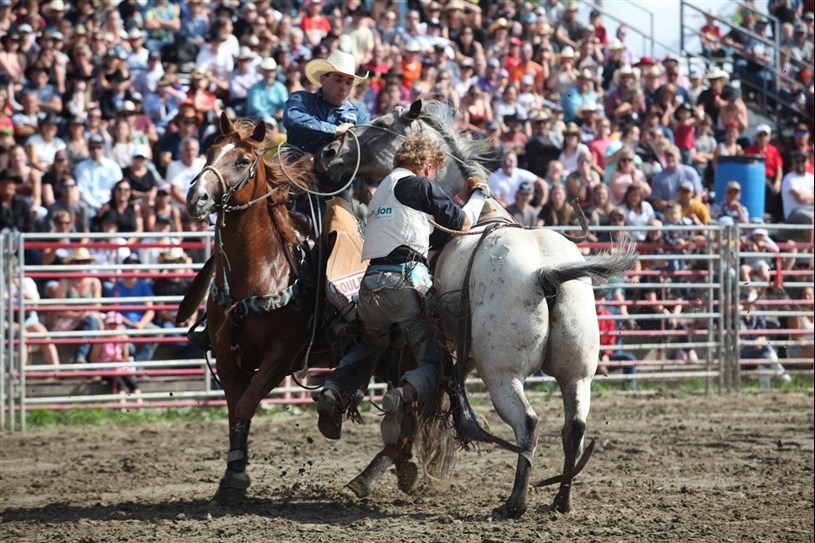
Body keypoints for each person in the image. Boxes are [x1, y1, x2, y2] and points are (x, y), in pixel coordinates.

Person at [315, 132, 489, 443]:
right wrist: (479, 195)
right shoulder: (419, 185)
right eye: (434, 172)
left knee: (369, 346)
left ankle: (333, 389)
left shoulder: (384, 190)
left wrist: (457, 200)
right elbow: (463, 224)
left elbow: (432, 232)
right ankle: (402, 395)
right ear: (428, 166)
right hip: (406, 282)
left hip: (371, 284)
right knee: (433, 360)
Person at [282, 50, 370, 198]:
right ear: (323, 79)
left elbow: (360, 154)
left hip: (335, 190)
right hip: (294, 180)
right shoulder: (302, 99)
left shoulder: (359, 115)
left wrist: (317, 161)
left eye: (349, 82)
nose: (343, 87)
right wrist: (334, 130)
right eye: (338, 80)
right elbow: (292, 118)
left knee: (342, 214)